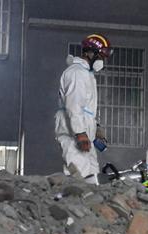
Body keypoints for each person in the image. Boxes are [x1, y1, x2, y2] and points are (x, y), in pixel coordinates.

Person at [54, 34, 112, 183]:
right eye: (100, 56)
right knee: (79, 179)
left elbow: (86, 108)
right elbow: (74, 105)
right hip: (75, 136)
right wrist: (80, 132)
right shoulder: (77, 73)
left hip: (85, 136)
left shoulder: (86, 74)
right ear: (89, 53)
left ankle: (87, 205)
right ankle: (72, 205)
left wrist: (95, 127)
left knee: (92, 178)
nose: (102, 61)